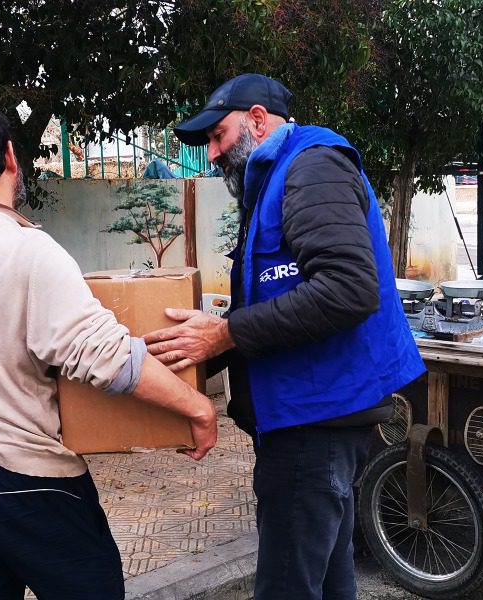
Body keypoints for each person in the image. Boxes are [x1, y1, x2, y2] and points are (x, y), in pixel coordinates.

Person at [0, 100, 218, 600]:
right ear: (11, 156)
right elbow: (108, 358)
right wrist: (197, 407)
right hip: (21, 476)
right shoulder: (27, 250)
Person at [142, 74, 425, 599]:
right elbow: (279, 296)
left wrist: (224, 335)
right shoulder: (278, 177)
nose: (211, 154)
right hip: (309, 415)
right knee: (329, 573)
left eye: (217, 136)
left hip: (313, 421)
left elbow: (347, 289)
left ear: (256, 118)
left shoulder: (311, 168)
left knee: (287, 585)